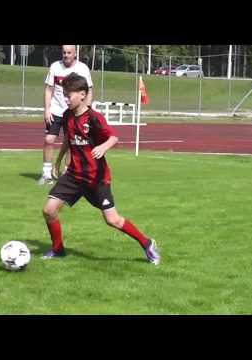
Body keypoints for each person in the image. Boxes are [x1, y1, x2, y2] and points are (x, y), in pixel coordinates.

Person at [41, 73, 161, 265]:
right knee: (49, 210)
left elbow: (114, 138)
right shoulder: (67, 115)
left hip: (96, 178)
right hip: (73, 175)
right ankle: (58, 249)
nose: (65, 98)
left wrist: (102, 147)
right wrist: (58, 161)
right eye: (63, 94)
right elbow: (68, 139)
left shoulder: (94, 118)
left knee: (112, 220)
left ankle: (147, 243)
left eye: (68, 95)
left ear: (82, 94)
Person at [39, 45, 94, 185]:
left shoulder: (82, 69)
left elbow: (89, 91)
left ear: (75, 53)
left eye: (69, 52)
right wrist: (47, 109)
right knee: (49, 140)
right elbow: (48, 89)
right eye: (64, 52)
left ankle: (67, 171)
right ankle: (46, 173)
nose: (66, 55)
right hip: (56, 111)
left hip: (74, 112)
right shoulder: (55, 67)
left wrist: (86, 110)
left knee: (71, 143)